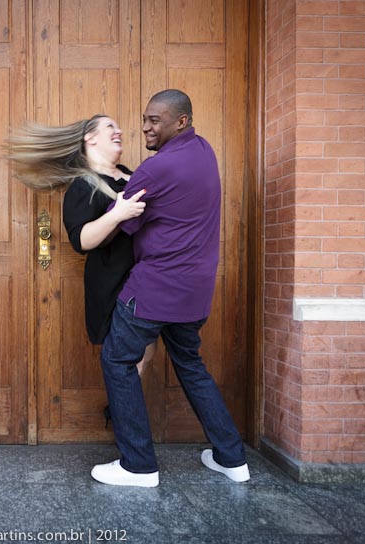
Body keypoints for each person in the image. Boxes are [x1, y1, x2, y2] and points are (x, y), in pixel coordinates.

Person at [90, 90, 249, 488]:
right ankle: (232, 459)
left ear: (181, 122)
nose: (146, 126)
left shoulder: (155, 168)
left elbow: (118, 221)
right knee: (191, 367)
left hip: (154, 288)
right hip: (195, 292)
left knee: (117, 360)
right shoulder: (204, 151)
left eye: (155, 120)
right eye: (145, 118)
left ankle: (138, 466)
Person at [3, 115, 156, 421]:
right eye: (110, 126)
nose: (120, 131)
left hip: (148, 281)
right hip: (113, 285)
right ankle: (128, 428)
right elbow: (82, 240)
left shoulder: (133, 176)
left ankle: (125, 416)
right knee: (129, 358)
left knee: (146, 354)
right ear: (90, 137)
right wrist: (118, 214)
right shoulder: (84, 186)